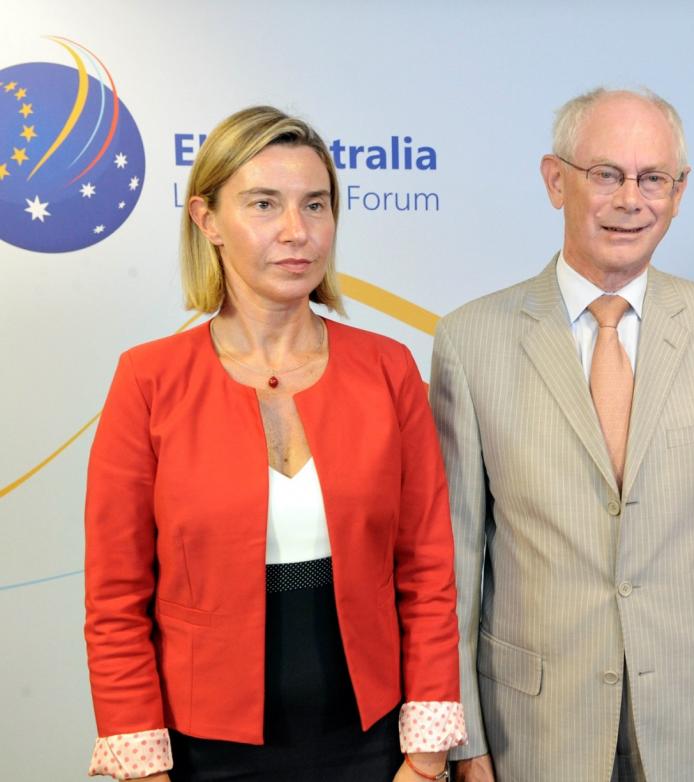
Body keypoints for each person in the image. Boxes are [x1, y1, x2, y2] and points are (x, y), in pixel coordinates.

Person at [84, 106, 465, 781]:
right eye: (265, 204)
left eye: (315, 205)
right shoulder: (148, 379)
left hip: (373, 742)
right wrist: (141, 764)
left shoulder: (388, 368)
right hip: (203, 749)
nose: (298, 232)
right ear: (207, 221)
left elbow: (428, 570)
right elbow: (116, 598)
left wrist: (427, 753)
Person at [429, 87, 694, 782]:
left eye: (653, 178)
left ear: (679, 193)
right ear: (554, 179)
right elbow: (456, 555)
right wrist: (462, 738)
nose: (632, 199)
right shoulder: (470, 340)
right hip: (528, 727)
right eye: (606, 174)